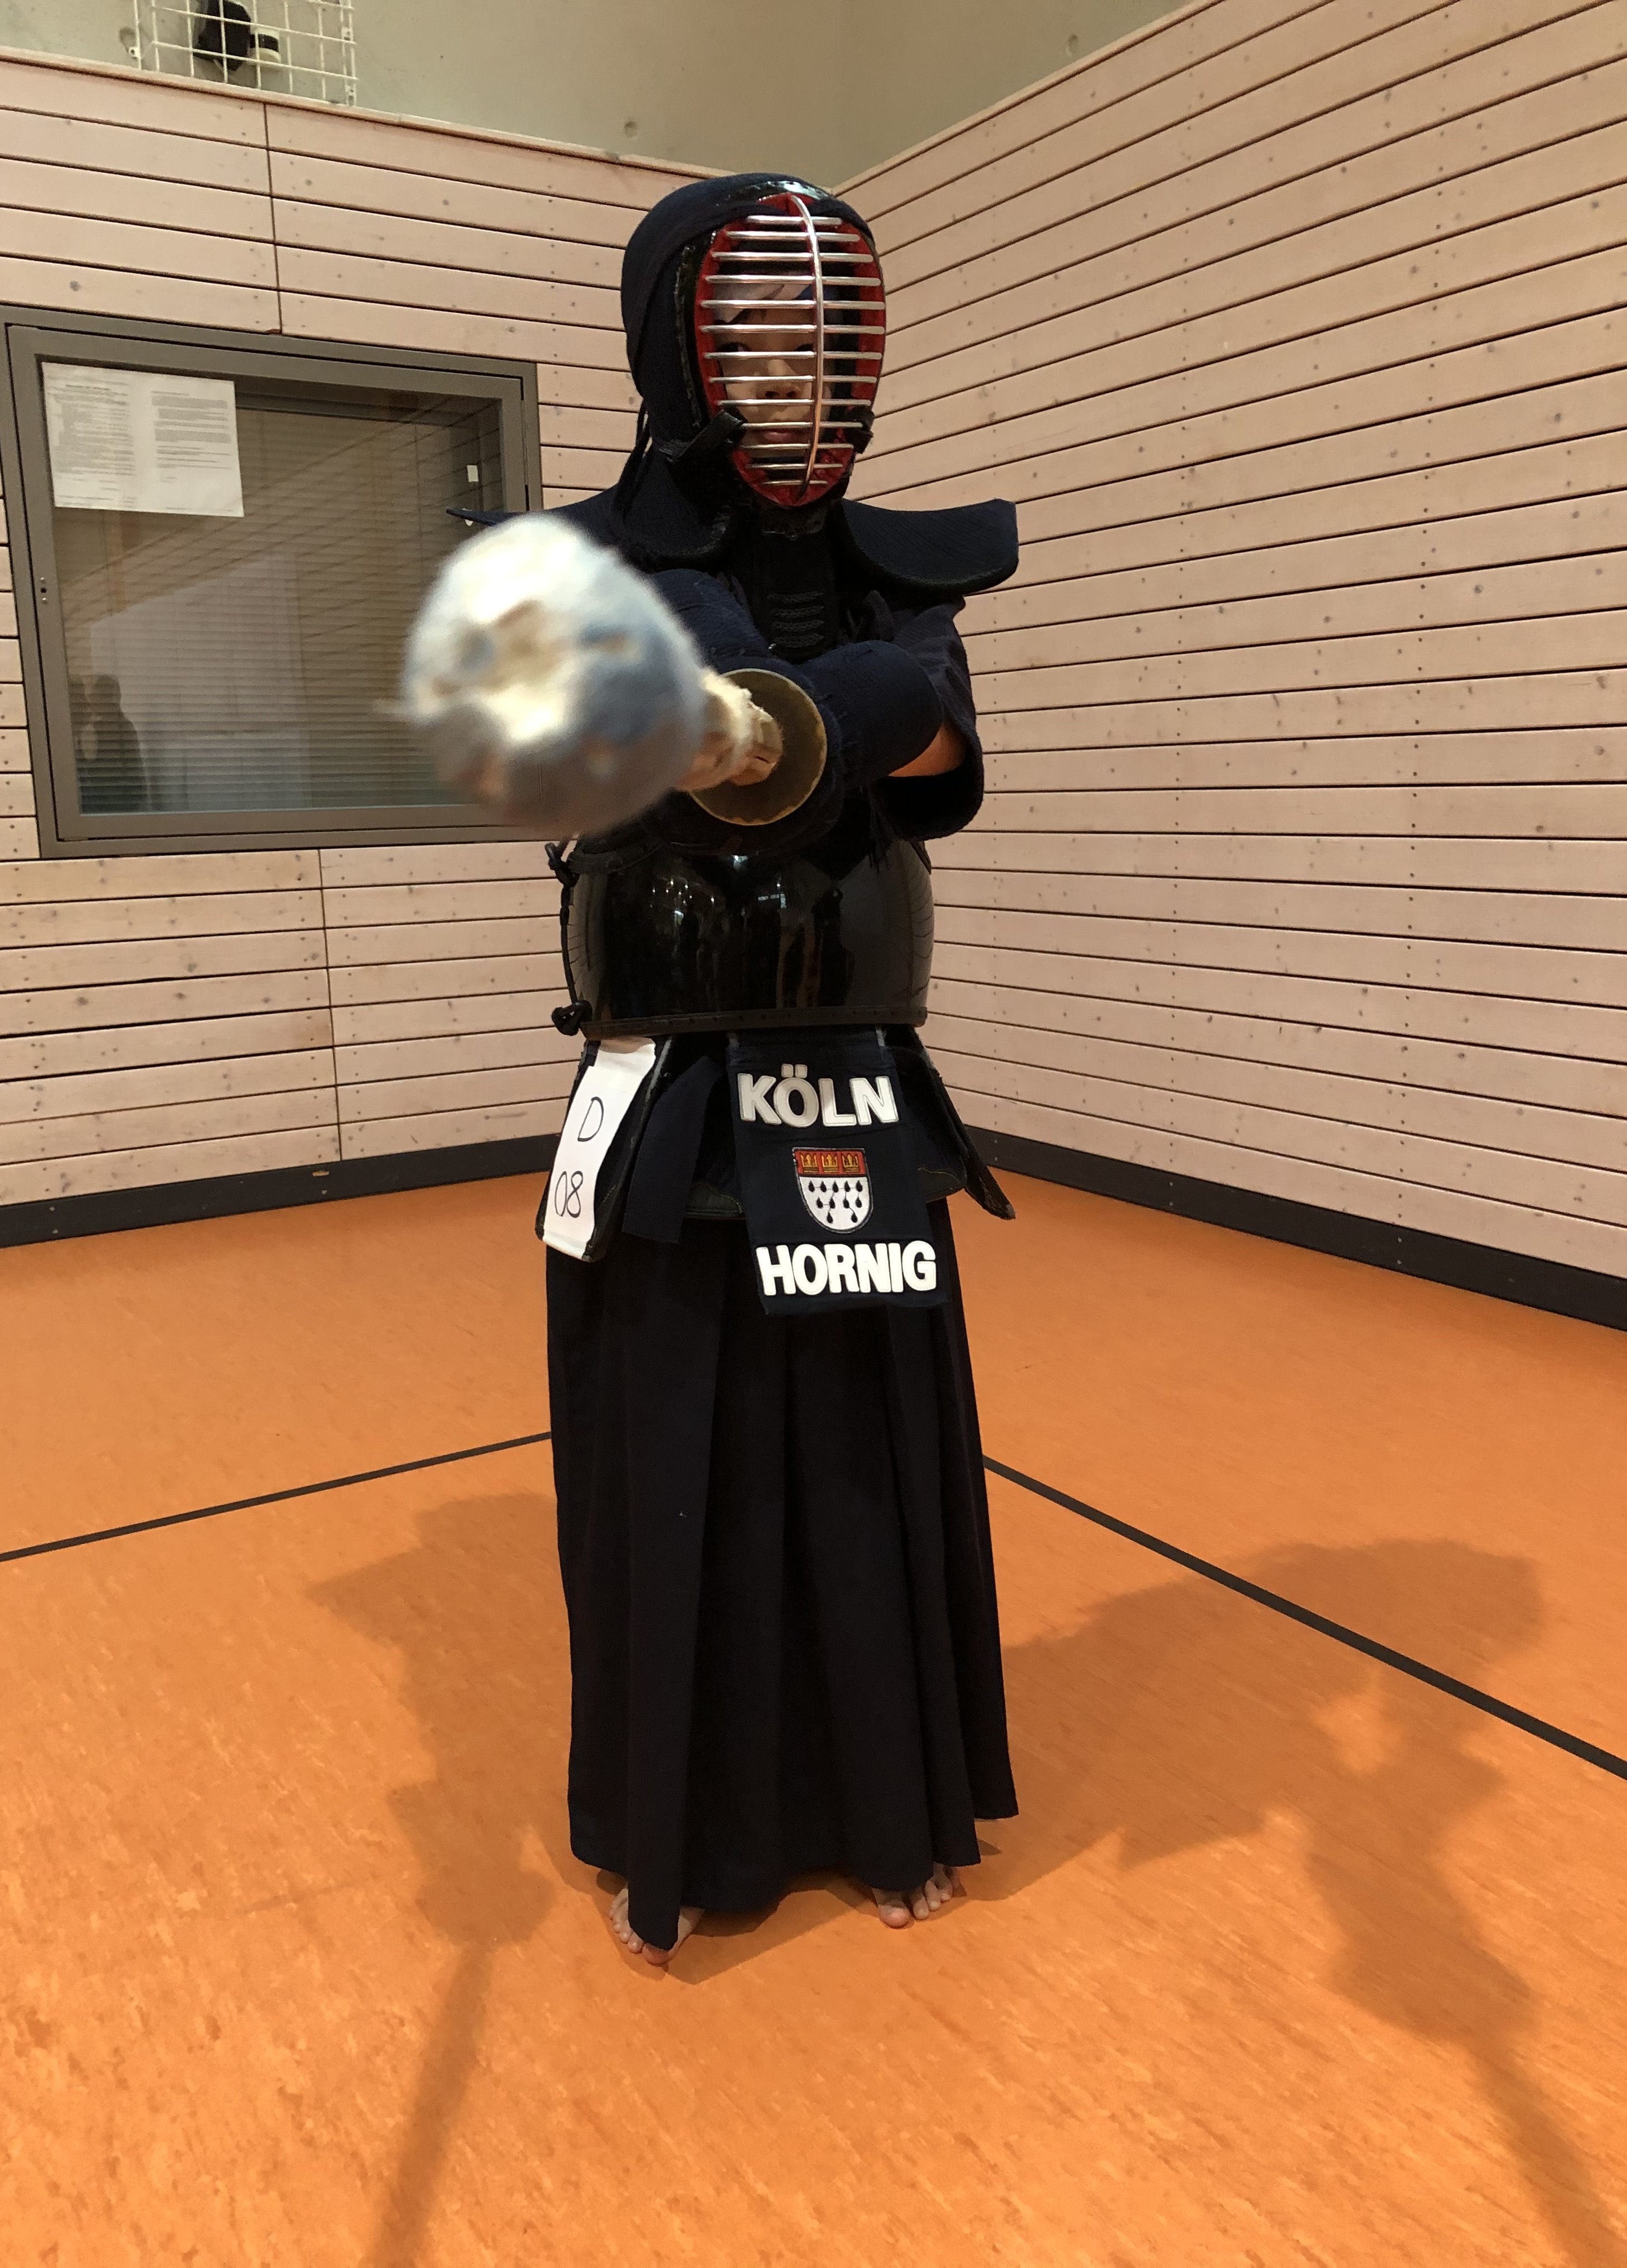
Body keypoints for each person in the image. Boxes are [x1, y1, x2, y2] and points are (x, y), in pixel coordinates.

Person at [539, 173, 1021, 1964]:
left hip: (859, 1070)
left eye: (829, 333)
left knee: (864, 1447)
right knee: (681, 1446)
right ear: (682, 348)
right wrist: (790, 712)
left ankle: (891, 1800)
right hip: (675, 1085)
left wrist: (800, 720)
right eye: (754, 332)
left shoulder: (904, 571)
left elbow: (934, 745)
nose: (795, 371)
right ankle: (681, 1826)